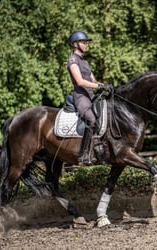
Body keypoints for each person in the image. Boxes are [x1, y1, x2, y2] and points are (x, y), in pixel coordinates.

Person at [66, 30, 112, 165]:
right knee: (91, 119)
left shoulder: (84, 62)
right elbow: (80, 82)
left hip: (91, 95)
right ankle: (84, 154)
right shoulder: (72, 61)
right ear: (75, 44)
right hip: (81, 97)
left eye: (87, 43)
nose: (86, 45)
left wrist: (104, 86)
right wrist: (98, 86)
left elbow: (93, 80)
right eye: (84, 42)